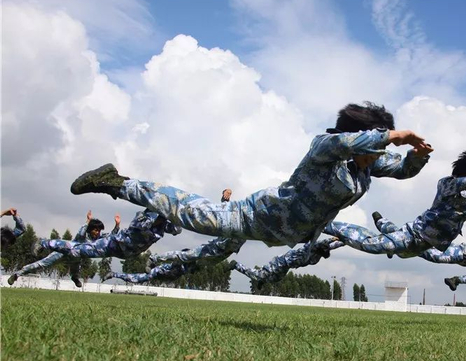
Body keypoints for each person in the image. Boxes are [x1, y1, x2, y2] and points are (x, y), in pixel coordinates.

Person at [69, 102, 433, 252]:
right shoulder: (326, 149)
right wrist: (392, 135)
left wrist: (417, 158)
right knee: (186, 211)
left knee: (207, 245)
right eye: (376, 146)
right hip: (254, 216)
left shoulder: (366, 165)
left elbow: (402, 170)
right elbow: (345, 143)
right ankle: (116, 182)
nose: (378, 157)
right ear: (360, 139)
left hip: (283, 233)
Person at [324, 151, 466, 258]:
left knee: (399, 252)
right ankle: (325, 224)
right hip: (414, 235)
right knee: (372, 246)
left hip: (425, 246)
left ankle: (383, 223)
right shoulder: (448, 184)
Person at [7, 210, 120, 287]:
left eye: (99, 230)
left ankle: (74, 278)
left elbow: (110, 237)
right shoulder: (83, 235)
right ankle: (17, 274)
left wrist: (117, 225)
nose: (97, 232)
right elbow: (81, 232)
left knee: (75, 269)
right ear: (90, 230)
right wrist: (87, 221)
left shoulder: (98, 238)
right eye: (95, 230)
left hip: (76, 257)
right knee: (42, 264)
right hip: (64, 253)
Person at [39, 209, 181, 259]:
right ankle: (44, 243)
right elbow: (144, 226)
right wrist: (163, 216)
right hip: (113, 244)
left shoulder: (163, 225)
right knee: (77, 250)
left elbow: (177, 230)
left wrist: (176, 217)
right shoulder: (142, 217)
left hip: (128, 253)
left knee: (76, 254)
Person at [230, 238, 344, 290]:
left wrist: (344, 242)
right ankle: (236, 265)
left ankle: (262, 280)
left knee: (275, 279)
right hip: (281, 261)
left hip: (287, 266)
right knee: (259, 275)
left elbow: (333, 246)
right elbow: (323, 242)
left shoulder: (318, 254)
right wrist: (332, 238)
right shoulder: (310, 247)